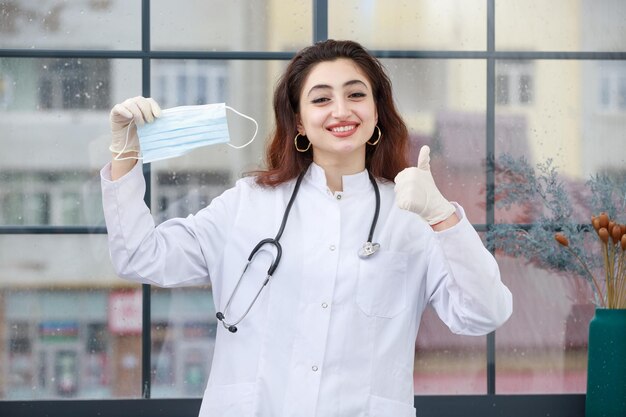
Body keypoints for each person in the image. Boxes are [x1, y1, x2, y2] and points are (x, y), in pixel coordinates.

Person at [101, 39, 512, 417]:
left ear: (376, 112)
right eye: (321, 99)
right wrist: (125, 152)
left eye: (356, 94)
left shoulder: (413, 214)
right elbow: (141, 256)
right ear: (298, 121)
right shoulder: (248, 203)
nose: (341, 110)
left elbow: (483, 313)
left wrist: (443, 217)